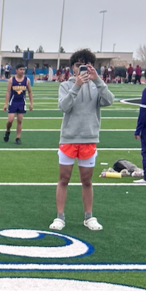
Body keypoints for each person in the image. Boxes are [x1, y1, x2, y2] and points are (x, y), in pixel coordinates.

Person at [50, 49, 114, 232]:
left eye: (86, 65)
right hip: (69, 137)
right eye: (79, 65)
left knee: (87, 180)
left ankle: (88, 217)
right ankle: (60, 217)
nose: (82, 69)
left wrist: (98, 80)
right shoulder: (65, 85)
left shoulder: (96, 85)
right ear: (72, 67)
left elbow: (109, 100)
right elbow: (64, 107)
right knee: (64, 179)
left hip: (89, 137)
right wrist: (76, 86)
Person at [2, 64, 33, 144]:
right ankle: (7, 131)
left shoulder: (27, 80)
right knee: (10, 120)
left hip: (21, 103)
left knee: (19, 120)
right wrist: (5, 104)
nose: (22, 71)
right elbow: (8, 92)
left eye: (23, 69)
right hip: (13, 102)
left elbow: (30, 92)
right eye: (20, 69)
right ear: (16, 70)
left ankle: (17, 138)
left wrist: (31, 103)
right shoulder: (11, 80)